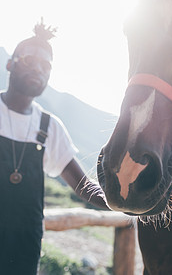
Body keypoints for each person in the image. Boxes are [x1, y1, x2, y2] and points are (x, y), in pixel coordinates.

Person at [0, 20, 110, 274]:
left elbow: (84, 186)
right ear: (9, 63)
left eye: (46, 65)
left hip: (23, 253)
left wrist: (122, 200)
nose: (38, 69)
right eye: (30, 60)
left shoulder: (49, 127)